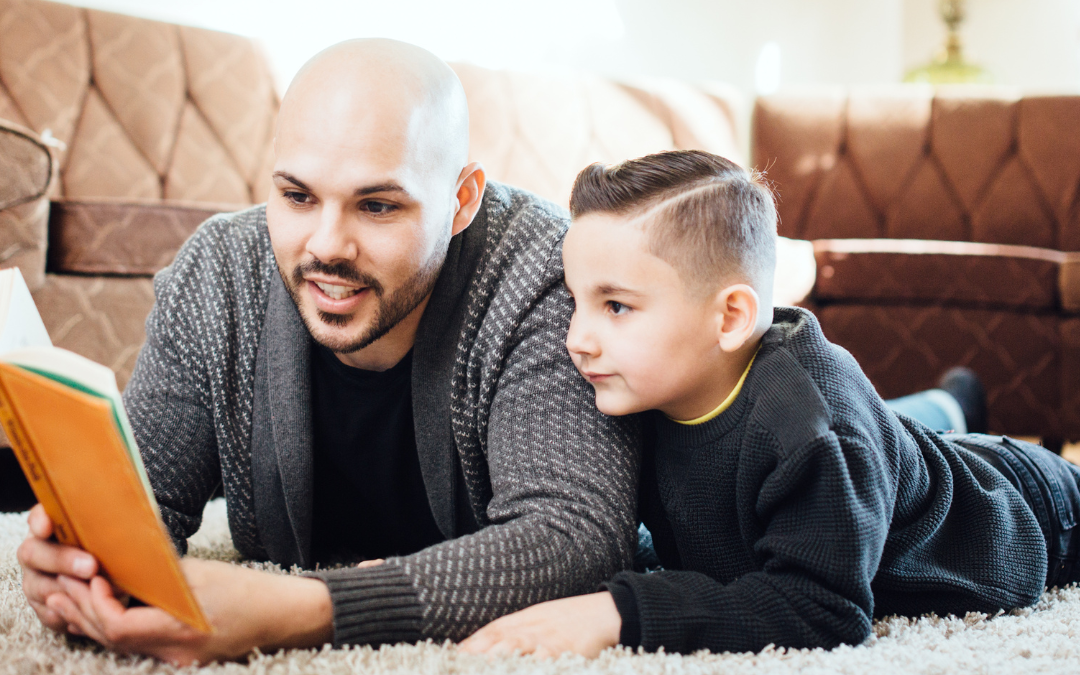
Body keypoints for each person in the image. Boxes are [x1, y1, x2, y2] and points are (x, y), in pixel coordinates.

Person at [16, 39, 641, 665]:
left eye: (376, 205)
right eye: (297, 196)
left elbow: (575, 536)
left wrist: (304, 608)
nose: (327, 246)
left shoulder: (545, 269)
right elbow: (144, 501)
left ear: (462, 201)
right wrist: (80, 565)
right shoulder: (217, 273)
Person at [459, 149, 1080, 657]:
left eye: (615, 306)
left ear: (730, 317)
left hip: (1034, 509)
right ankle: (952, 401)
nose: (576, 338)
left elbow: (823, 608)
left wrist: (624, 612)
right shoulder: (636, 387)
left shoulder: (810, 424)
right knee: (901, 439)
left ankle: (953, 405)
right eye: (576, 302)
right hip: (896, 459)